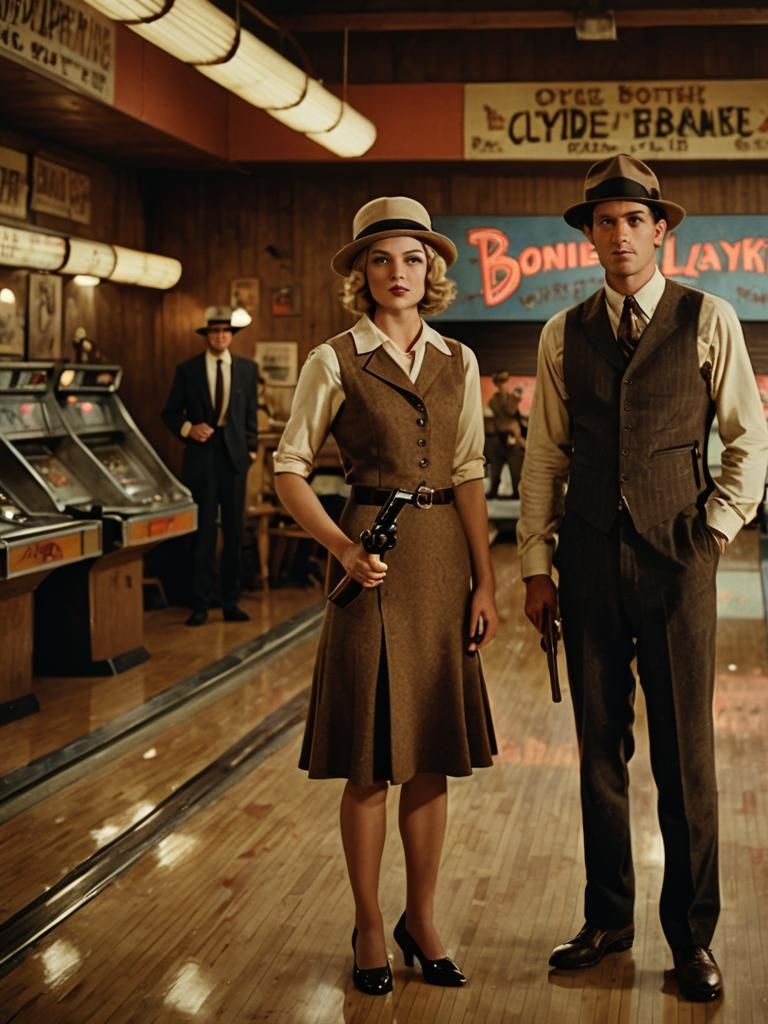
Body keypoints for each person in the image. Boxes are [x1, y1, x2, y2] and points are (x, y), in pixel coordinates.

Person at [517, 155, 768, 1002]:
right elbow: (546, 453)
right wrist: (535, 562)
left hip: (676, 561)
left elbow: (748, 440)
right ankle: (608, 916)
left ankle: (692, 938)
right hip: (586, 560)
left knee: (686, 757)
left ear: (661, 230)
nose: (619, 235)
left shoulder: (709, 318)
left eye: (634, 219)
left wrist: (714, 531)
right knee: (598, 752)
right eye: (604, 221)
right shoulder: (563, 331)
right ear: (588, 235)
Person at [273, 197, 498, 996]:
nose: (397, 273)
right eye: (381, 260)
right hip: (368, 551)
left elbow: (468, 471)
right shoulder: (333, 359)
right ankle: (370, 923)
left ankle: (422, 919)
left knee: (432, 758)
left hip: (441, 564)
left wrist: (486, 580)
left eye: (412, 259)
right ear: (361, 273)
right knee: (370, 765)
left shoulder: (460, 360)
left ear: (430, 270)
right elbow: (288, 468)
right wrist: (341, 547)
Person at [162, 306, 258, 626]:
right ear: (206, 337)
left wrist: (252, 450)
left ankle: (231, 602)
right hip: (201, 457)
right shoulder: (187, 370)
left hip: (234, 459)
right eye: (215, 332)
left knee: (233, 531)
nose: (220, 337)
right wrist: (190, 429)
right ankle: (200, 604)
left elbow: (250, 417)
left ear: (231, 336)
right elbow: (171, 413)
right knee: (202, 532)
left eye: (225, 332)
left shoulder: (246, 369)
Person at [487, 370, 524, 498]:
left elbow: (510, 411)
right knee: (496, 467)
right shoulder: (494, 400)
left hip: (513, 438)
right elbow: (501, 410)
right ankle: (493, 490)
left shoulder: (511, 400)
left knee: (515, 469)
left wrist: (511, 398)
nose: (501, 385)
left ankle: (516, 492)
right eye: (499, 382)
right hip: (499, 438)